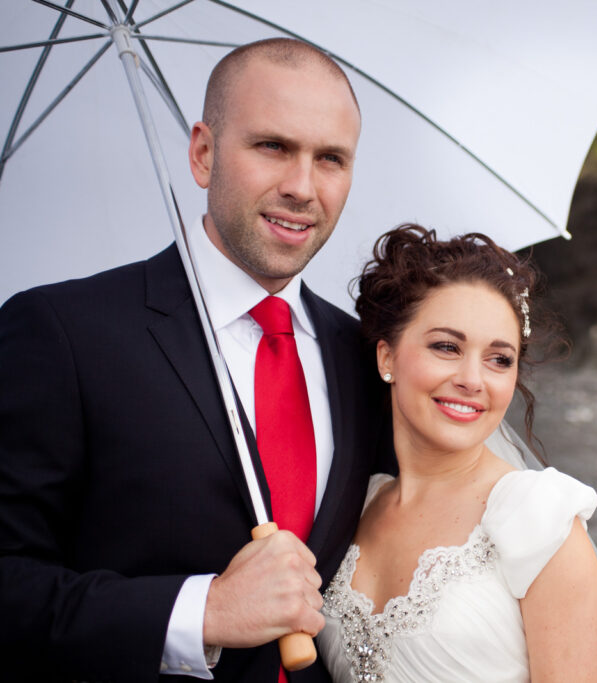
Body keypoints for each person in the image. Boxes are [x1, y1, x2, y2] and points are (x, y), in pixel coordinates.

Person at [0, 38, 391, 681]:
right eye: (272, 146)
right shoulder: (62, 333)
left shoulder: (363, 358)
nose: (301, 187)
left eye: (330, 158)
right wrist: (200, 612)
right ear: (203, 153)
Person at [317, 225, 597, 682]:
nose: (473, 379)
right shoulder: (356, 505)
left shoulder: (538, 519)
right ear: (387, 358)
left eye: (499, 359)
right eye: (447, 347)